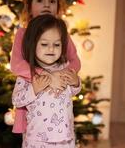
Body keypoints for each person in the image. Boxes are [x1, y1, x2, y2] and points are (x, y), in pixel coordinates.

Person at [10, 0, 81, 133]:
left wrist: (62, 75)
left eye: (52, 0)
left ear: (58, 7)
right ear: (29, 6)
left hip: (60, 122)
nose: (47, 5)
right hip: (33, 117)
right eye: (40, 0)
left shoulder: (62, 33)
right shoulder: (23, 34)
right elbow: (16, 65)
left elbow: (75, 60)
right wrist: (48, 76)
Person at [12, 15, 81, 147]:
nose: (51, 49)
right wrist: (34, 90)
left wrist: (76, 82)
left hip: (65, 138)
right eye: (44, 44)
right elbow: (16, 100)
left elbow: (73, 91)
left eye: (56, 44)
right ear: (32, 44)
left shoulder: (64, 69)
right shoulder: (29, 74)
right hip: (37, 140)